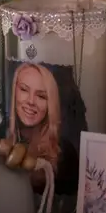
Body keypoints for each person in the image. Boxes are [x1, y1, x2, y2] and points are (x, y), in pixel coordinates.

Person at [8, 63, 80, 203]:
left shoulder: (63, 154)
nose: (31, 101)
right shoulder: (0, 140)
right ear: (14, 91)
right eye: (24, 89)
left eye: (41, 96)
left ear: (50, 104)